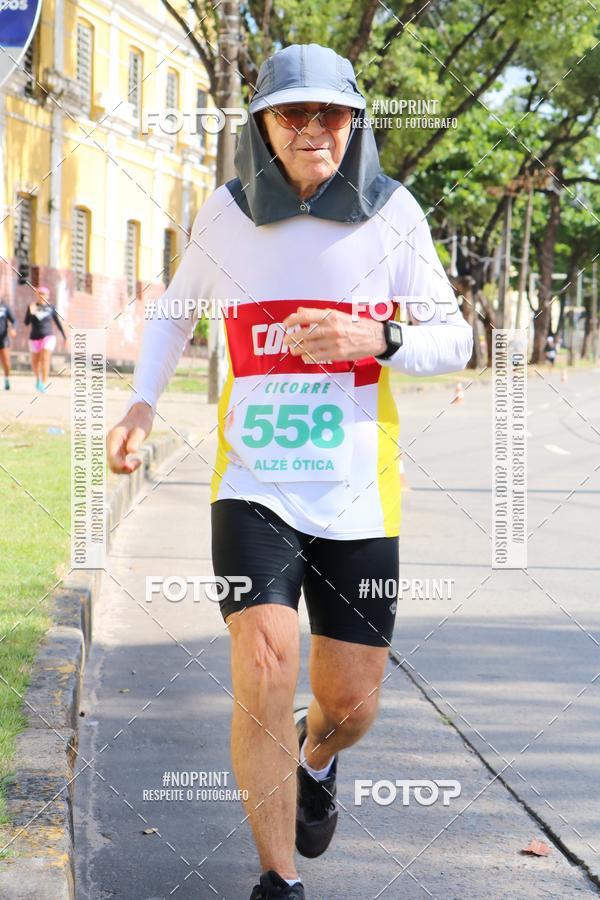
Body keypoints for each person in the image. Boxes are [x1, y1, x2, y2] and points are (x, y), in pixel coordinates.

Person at [107, 43, 473, 899]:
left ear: (355, 122)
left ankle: (316, 755)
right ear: (263, 126)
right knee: (265, 664)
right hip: (254, 486)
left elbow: (456, 339)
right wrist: (139, 404)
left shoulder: (394, 214)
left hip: (356, 496)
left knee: (351, 705)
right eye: (291, 114)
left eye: (331, 114)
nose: (313, 130)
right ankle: (278, 881)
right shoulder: (226, 214)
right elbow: (173, 313)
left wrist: (376, 338)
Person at [24, 285, 66, 391]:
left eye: (44, 294)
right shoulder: (32, 306)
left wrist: (64, 337)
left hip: (48, 336)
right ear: (36, 295)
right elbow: (26, 322)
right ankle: (38, 379)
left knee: (45, 359)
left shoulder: (51, 308)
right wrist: (31, 313)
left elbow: (57, 322)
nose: (41, 296)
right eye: (39, 293)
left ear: (47, 296)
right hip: (34, 337)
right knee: (35, 362)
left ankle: (44, 383)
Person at [0, 299, 17, 390]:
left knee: (6, 361)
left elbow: (14, 320)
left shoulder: (5, 307)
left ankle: (6, 378)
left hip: (3, 338)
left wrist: (13, 329)